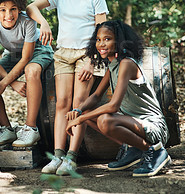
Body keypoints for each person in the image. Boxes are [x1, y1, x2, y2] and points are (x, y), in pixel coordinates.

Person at [26, 0, 109, 175]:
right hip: (63, 54)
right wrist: (43, 23)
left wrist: (92, 61)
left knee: (77, 104)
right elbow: (31, 7)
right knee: (62, 103)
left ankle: (72, 158)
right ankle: (58, 155)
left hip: (86, 55)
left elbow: (102, 33)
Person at [66, 20, 171, 177]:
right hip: (134, 124)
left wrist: (79, 120)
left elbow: (113, 106)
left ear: (119, 41)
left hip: (153, 127)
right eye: (99, 39)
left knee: (105, 120)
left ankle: (155, 152)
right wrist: (78, 111)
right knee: (86, 112)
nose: (101, 44)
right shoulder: (112, 65)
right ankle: (133, 149)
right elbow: (96, 96)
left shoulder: (127, 64)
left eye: (107, 39)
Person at [0, 0, 54, 147]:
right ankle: (6, 128)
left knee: (31, 70)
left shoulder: (27, 22)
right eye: (3, 10)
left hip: (39, 50)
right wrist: (12, 82)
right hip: (13, 54)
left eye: (13, 9)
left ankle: (31, 129)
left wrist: (6, 83)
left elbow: (27, 58)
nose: (9, 15)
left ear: (19, 8)